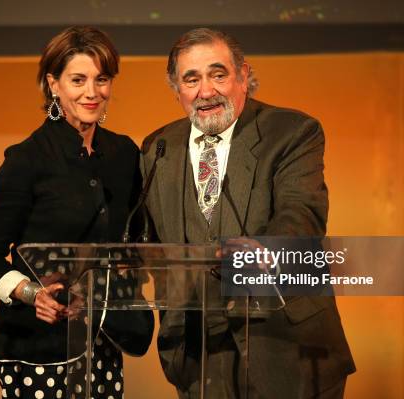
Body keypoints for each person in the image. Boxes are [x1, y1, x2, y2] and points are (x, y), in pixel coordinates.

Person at [141, 28, 355, 398]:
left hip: (285, 347)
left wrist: (263, 248)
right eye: (191, 79)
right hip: (199, 355)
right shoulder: (158, 148)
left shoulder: (290, 132)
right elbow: (148, 242)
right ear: (177, 89)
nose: (205, 91)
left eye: (218, 74)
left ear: (243, 75)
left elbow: (301, 211)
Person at [0, 26, 153, 399]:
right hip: (36, 350)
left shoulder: (124, 155)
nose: (92, 92)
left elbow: (136, 238)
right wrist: (30, 292)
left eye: (102, 79)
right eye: (78, 80)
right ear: (53, 84)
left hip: (103, 344)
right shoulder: (26, 160)